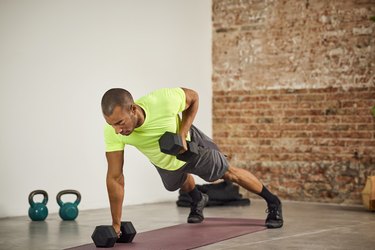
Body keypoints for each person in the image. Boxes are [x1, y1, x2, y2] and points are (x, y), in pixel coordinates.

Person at [101, 87, 283, 236]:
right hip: (165, 162)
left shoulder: (162, 100)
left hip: (189, 147)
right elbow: (115, 177)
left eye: (120, 122)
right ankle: (198, 198)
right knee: (176, 184)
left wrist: (182, 132)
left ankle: (273, 202)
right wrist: (116, 225)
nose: (117, 130)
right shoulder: (113, 132)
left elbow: (194, 97)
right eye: (112, 125)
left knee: (227, 172)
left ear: (133, 109)